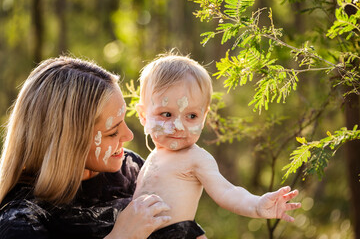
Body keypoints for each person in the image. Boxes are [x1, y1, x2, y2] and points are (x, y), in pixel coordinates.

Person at [0, 56, 174, 239]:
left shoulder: (129, 169)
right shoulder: (21, 221)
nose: (128, 135)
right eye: (112, 132)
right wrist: (122, 235)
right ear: (69, 143)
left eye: (123, 121)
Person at [134, 53, 302, 238]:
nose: (178, 126)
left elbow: (228, 191)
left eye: (191, 116)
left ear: (204, 117)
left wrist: (257, 205)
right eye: (166, 114)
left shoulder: (195, 157)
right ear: (143, 115)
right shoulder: (153, 157)